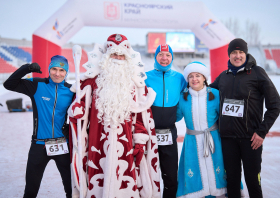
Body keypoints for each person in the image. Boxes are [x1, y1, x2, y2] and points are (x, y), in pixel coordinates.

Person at [68, 34, 161, 198]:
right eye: (113, 54)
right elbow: (80, 109)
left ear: (127, 58)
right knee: (98, 180)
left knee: (125, 179)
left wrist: (139, 139)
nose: (117, 58)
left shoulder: (136, 86)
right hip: (97, 143)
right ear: (106, 57)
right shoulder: (91, 82)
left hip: (126, 143)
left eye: (121, 55)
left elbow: (141, 116)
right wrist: (77, 111)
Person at [210, 38, 280, 198]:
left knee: (253, 183)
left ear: (246, 53)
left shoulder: (257, 73)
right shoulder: (224, 76)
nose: (237, 56)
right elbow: (204, 93)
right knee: (232, 183)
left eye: (241, 52)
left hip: (251, 140)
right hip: (227, 140)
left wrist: (262, 132)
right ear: (229, 55)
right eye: (234, 52)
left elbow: (275, 105)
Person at [3, 55, 73, 198]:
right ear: (49, 69)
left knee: (71, 189)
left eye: (61, 70)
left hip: (63, 145)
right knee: (30, 191)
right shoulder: (37, 85)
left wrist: (70, 127)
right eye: (54, 69)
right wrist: (26, 68)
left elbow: (82, 114)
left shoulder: (72, 91)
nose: (57, 73)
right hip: (38, 146)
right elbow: (8, 84)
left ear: (67, 72)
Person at [176, 61, 227, 198]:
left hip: (214, 140)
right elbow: (174, 117)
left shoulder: (215, 94)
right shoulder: (183, 97)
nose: (194, 79)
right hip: (192, 142)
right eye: (191, 76)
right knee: (194, 172)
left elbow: (226, 117)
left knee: (217, 170)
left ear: (204, 77)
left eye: (198, 75)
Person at [145, 44, 187, 198]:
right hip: (148, 133)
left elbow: (185, 101)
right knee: (147, 175)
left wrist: (173, 118)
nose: (164, 58)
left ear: (172, 58)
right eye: (161, 54)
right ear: (155, 57)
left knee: (170, 177)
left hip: (169, 133)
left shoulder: (179, 78)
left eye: (168, 55)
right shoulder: (145, 77)